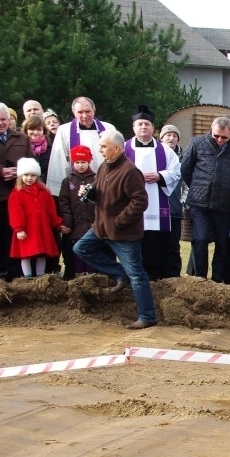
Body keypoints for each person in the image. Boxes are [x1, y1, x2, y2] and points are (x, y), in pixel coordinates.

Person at [73, 129, 158, 330]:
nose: (100, 150)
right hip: (100, 227)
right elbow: (101, 193)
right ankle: (120, 273)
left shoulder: (129, 171)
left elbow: (140, 202)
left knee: (137, 274)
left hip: (123, 233)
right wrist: (90, 193)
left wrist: (119, 221)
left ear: (117, 148)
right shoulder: (104, 167)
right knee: (80, 248)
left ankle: (147, 316)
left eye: (103, 146)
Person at [180, 117, 230, 283]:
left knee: (222, 244)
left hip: (223, 204)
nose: (220, 140)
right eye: (216, 136)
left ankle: (217, 280)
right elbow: (185, 169)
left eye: (224, 137)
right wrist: (197, 187)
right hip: (199, 202)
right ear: (211, 130)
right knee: (200, 239)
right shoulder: (197, 143)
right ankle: (200, 279)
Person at [124, 105, 181, 281]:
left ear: (153, 128)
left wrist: (159, 176)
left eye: (147, 124)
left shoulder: (165, 150)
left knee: (157, 246)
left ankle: (158, 276)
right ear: (133, 127)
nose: (143, 127)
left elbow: (177, 171)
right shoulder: (124, 149)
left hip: (158, 205)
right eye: (140, 124)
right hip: (132, 204)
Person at [0, 102, 33, 280]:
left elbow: (32, 162)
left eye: (3, 119)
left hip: (17, 195)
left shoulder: (21, 138)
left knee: (13, 236)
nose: (0, 123)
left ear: (9, 119)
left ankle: (13, 273)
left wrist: (20, 171)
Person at [46, 97, 116, 196]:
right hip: (77, 186)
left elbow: (116, 156)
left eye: (88, 111)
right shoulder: (64, 131)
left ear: (94, 111)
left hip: (106, 184)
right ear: (74, 112)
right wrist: (61, 191)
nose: (84, 115)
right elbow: (59, 161)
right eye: (80, 112)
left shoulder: (109, 129)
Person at [8, 157, 64, 278]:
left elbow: (51, 211)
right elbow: (15, 212)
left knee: (41, 254)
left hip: (42, 229)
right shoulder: (17, 193)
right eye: (26, 175)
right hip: (26, 229)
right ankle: (28, 279)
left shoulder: (44, 191)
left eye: (33, 175)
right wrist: (19, 229)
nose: (29, 178)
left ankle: (40, 278)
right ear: (21, 176)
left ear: (37, 176)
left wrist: (58, 224)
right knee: (25, 255)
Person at [57, 145, 97, 278]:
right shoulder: (68, 181)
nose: (80, 165)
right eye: (77, 162)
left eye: (83, 162)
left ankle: (92, 277)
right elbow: (64, 203)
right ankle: (79, 277)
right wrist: (67, 224)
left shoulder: (96, 179)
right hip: (75, 226)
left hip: (93, 225)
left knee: (92, 251)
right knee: (76, 252)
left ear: (89, 162)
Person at [159, 124, 186, 277]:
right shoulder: (156, 156)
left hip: (175, 210)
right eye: (168, 135)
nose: (171, 138)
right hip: (156, 209)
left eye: (174, 135)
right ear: (161, 138)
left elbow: (187, 183)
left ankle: (174, 275)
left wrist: (183, 202)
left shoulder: (184, 158)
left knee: (173, 246)